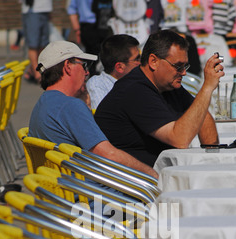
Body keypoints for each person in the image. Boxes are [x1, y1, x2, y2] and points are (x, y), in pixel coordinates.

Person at [29, 40, 158, 179]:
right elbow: (110, 155)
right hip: (91, 196)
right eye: (84, 65)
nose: (87, 72)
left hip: (61, 192)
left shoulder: (42, 105)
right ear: (67, 67)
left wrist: (87, 108)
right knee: (168, 196)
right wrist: (153, 174)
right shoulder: (70, 106)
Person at [95, 29, 223, 168]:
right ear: (153, 61)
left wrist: (211, 162)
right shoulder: (134, 90)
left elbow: (203, 117)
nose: (184, 72)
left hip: (160, 176)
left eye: (185, 66)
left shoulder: (168, 86)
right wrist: (207, 88)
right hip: (132, 183)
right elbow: (180, 140)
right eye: (178, 66)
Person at [86, 34, 140, 110]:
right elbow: (104, 119)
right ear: (120, 67)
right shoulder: (97, 85)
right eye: (137, 59)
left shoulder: (137, 82)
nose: (141, 63)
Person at [22, 0, 53, 83]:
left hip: (45, 9)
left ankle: (33, 70)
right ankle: (37, 74)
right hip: (32, 9)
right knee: (33, 44)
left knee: (43, 44)